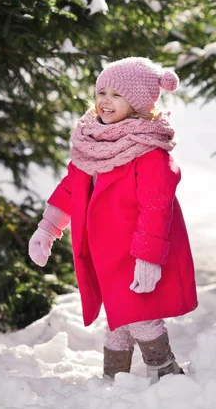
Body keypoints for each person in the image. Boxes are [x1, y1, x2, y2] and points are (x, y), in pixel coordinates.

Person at [29, 57, 197, 380]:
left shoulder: (148, 151)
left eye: (117, 95)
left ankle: (165, 371)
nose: (105, 101)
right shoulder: (92, 142)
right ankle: (115, 377)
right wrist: (47, 228)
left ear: (137, 104)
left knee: (141, 316)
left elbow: (156, 207)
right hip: (108, 254)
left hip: (137, 252)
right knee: (119, 316)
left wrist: (148, 260)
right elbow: (71, 189)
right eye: (101, 92)